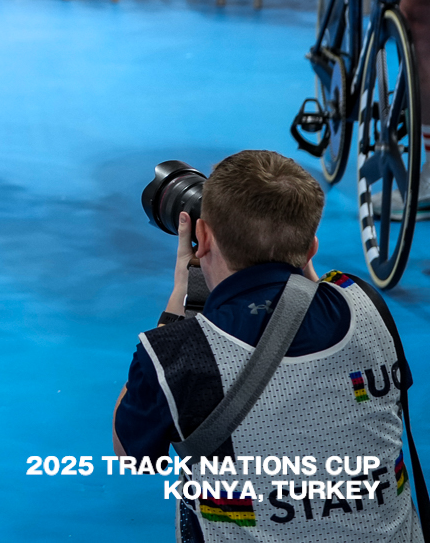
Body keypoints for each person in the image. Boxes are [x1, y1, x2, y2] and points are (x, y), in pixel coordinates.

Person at [112, 151, 423, 537]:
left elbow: (133, 456)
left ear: (203, 236)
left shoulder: (176, 354)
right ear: (312, 247)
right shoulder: (365, 304)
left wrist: (180, 299)